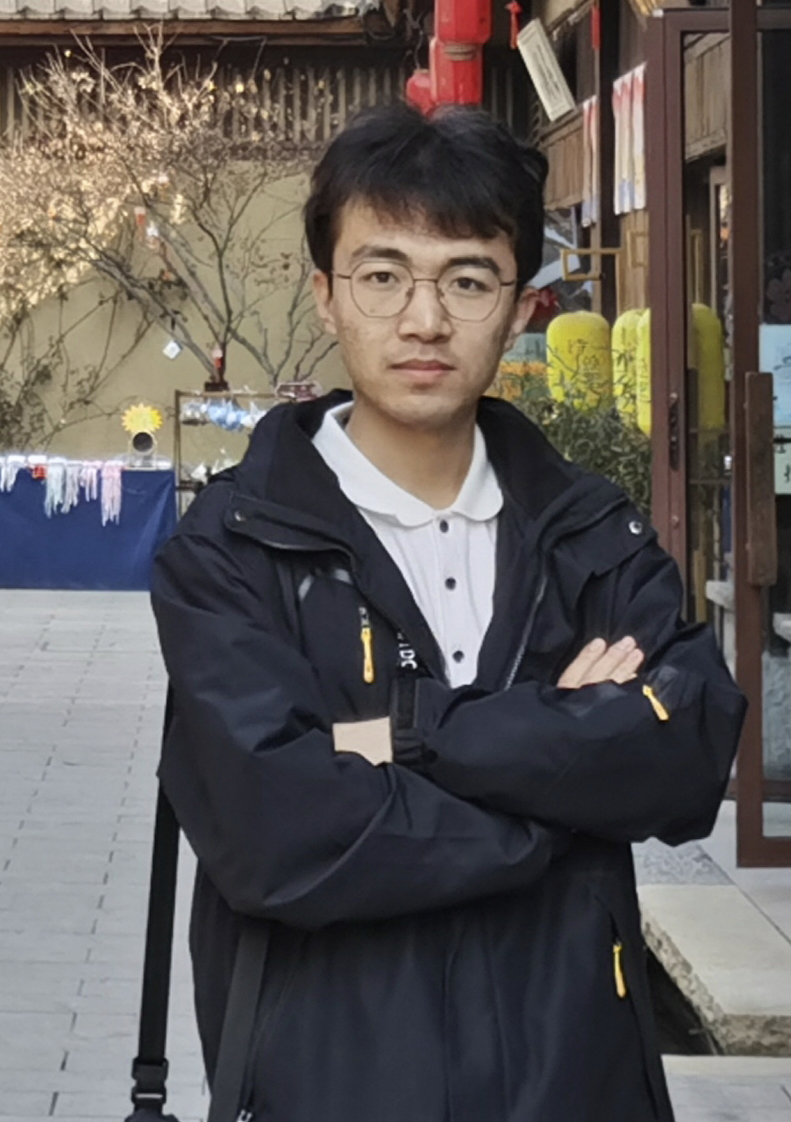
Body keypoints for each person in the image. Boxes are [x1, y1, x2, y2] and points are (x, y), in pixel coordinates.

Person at [151, 104, 746, 1122]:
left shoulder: (587, 531)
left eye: (468, 280)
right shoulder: (233, 551)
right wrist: (560, 794)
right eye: (383, 276)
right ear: (326, 295)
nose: (424, 320)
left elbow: (687, 751)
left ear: (519, 309)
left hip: (576, 1083)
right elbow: (277, 834)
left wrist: (408, 738)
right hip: (334, 1085)